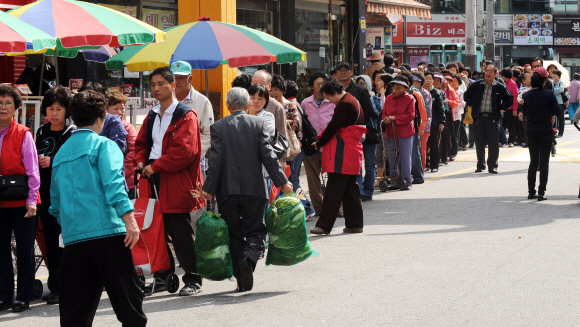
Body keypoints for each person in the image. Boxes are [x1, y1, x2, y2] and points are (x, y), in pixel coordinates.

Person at [49, 91, 145, 326]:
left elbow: (56, 202)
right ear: (102, 117)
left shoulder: (60, 153)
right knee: (129, 305)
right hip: (108, 235)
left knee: (75, 313)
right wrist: (129, 219)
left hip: (73, 239)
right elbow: (114, 184)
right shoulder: (104, 145)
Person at [200, 87, 293, 291]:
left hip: (227, 190)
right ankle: (249, 259)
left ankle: (241, 278)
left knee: (233, 233)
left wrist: (208, 188)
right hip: (255, 188)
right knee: (256, 229)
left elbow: (215, 163)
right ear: (248, 104)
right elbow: (269, 156)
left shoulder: (219, 126)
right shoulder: (258, 124)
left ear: (228, 105)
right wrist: (282, 181)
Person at [134, 67, 205, 296]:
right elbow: (140, 145)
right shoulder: (152, 114)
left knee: (181, 231)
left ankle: (193, 278)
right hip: (151, 177)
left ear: (174, 85)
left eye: (161, 83)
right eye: (153, 84)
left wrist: (154, 166)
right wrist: (139, 162)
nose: (156, 88)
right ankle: (163, 276)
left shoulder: (187, 115)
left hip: (176, 180)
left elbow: (184, 152)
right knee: (156, 230)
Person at [0, 85, 40, 313]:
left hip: (23, 200)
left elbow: (33, 172)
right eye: (0, 103)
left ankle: (23, 296)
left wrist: (32, 200)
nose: (3, 107)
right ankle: (4, 295)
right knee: (0, 249)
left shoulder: (23, 133)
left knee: (25, 250)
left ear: (16, 108)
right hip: (0, 202)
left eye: (8, 103)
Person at [35, 86, 75, 306]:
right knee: (50, 241)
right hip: (44, 194)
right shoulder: (41, 132)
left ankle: (67, 285)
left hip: (65, 196)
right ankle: (55, 284)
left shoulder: (72, 132)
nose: (54, 113)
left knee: (65, 241)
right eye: (50, 108)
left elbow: (75, 161)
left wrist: (53, 161)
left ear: (66, 110)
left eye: (59, 108)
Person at [310, 79, 365, 234]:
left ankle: (323, 226)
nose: (330, 102)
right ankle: (355, 224)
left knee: (333, 190)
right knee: (350, 189)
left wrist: (320, 142)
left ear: (333, 92)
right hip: (352, 149)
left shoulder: (344, 104)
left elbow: (333, 126)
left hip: (343, 151)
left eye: (328, 98)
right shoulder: (353, 100)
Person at [335, 61, 379, 202]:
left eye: (346, 70)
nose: (343, 72)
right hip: (347, 134)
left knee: (370, 164)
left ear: (351, 72)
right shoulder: (335, 90)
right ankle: (358, 192)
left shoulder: (360, 90)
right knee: (356, 165)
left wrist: (363, 130)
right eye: (340, 70)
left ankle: (367, 191)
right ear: (336, 73)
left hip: (365, 132)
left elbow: (368, 111)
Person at [518, 67, 561, 201]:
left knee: (533, 162)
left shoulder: (525, 95)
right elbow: (558, 111)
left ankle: (531, 191)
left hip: (531, 130)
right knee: (544, 163)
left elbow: (524, 112)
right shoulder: (549, 94)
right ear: (544, 81)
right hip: (546, 130)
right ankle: (541, 192)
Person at [464, 64, 514, 174]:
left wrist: (501, 107)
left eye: (491, 71)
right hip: (479, 118)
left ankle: (492, 166)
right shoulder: (477, 85)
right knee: (480, 143)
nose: (488, 73)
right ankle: (480, 165)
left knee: (493, 143)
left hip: (493, 118)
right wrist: (474, 105)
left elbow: (509, 98)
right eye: (486, 71)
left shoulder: (499, 86)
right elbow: (466, 96)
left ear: (496, 73)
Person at [301, 72, 335, 215]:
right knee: (313, 179)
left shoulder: (332, 101)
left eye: (323, 83)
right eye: (317, 84)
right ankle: (320, 208)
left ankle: (335, 207)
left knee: (333, 177)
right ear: (311, 87)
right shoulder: (305, 103)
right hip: (312, 145)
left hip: (329, 144)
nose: (320, 86)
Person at [170, 61, 215, 168]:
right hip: (168, 159)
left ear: (190, 79)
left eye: (181, 77)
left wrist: (194, 155)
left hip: (194, 160)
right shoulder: (165, 100)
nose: (177, 81)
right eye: (174, 78)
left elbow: (209, 133)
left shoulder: (203, 101)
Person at [382, 75, 416, 190]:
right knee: (392, 157)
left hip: (405, 132)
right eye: (395, 84)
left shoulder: (410, 98)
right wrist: (386, 119)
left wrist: (394, 118)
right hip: (391, 131)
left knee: (405, 157)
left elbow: (411, 116)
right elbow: (384, 113)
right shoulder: (388, 98)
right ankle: (394, 182)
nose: (397, 86)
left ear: (405, 87)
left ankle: (406, 182)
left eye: (400, 85)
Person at [251, 70, 289, 167]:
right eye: (255, 83)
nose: (258, 86)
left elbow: (282, 132)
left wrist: (283, 159)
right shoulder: (246, 103)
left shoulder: (276, 106)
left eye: (262, 83)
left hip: (270, 159)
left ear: (269, 86)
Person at [78, 82, 128, 155]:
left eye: (93, 99)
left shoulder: (112, 120)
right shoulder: (77, 118)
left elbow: (115, 153)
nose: (88, 103)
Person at [106, 91, 138, 199]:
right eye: (115, 108)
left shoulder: (128, 128)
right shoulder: (101, 128)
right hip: (106, 182)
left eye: (122, 108)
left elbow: (134, 152)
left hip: (127, 182)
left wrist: (118, 172)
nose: (120, 112)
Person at [424, 72, 446, 172]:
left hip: (434, 123)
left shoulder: (436, 92)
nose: (428, 80)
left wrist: (442, 122)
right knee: (424, 144)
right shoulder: (420, 92)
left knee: (434, 144)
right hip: (423, 123)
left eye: (430, 78)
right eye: (426, 78)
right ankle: (426, 163)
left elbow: (441, 109)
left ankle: (434, 164)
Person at [374, 73, 394, 184]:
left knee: (388, 153)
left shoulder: (390, 93)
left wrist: (382, 96)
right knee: (379, 154)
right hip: (379, 127)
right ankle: (379, 178)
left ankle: (393, 175)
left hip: (387, 128)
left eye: (380, 80)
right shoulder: (378, 92)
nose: (377, 81)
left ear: (385, 82)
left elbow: (384, 108)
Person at [412, 72, 433, 171]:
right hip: (412, 125)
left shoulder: (426, 94)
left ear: (419, 82)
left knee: (422, 149)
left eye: (414, 81)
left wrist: (422, 125)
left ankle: (421, 169)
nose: (411, 83)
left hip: (424, 125)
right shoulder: (409, 92)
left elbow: (427, 112)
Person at [500, 68, 519, 147]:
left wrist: (515, 109)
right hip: (503, 108)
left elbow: (515, 97)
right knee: (502, 125)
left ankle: (511, 141)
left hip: (510, 108)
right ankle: (502, 141)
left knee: (510, 126)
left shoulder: (513, 84)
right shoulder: (502, 83)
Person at [449, 74, 466, 158]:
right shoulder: (447, 91)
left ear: (459, 82)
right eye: (452, 81)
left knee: (455, 134)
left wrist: (453, 104)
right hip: (448, 115)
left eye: (455, 81)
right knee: (448, 134)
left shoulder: (460, 92)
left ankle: (453, 153)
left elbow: (463, 104)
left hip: (457, 116)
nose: (453, 82)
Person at [552, 70, 566, 138]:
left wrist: (554, 91)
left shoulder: (561, 82)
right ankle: (554, 131)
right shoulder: (551, 82)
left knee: (560, 118)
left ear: (558, 76)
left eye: (555, 74)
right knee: (553, 117)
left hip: (560, 102)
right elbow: (550, 90)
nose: (553, 75)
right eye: (553, 74)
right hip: (552, 102)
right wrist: (556, 91)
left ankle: (560, 132)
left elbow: (561, 89)